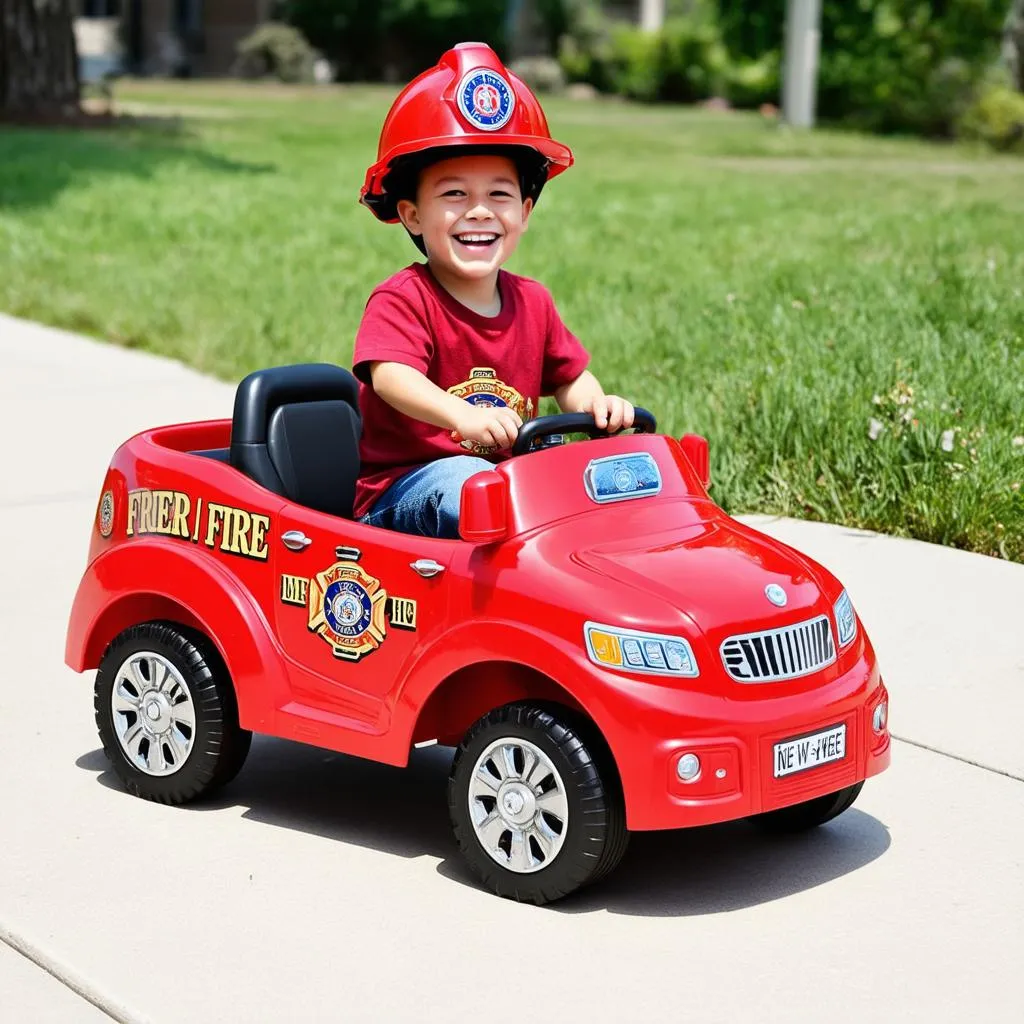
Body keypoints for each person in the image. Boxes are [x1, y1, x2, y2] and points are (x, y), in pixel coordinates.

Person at [353, 42, 634, 538]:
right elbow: (390, 376)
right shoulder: (404, 298)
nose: (479, 211)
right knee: (473, 482)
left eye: (499, 194)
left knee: (607, 477)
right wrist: (458, 413)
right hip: (406, 489)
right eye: (454, 194)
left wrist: (597, 406)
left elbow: (570, 377)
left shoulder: (533, 302)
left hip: (504, 484)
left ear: (524, 212)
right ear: (411, 214)